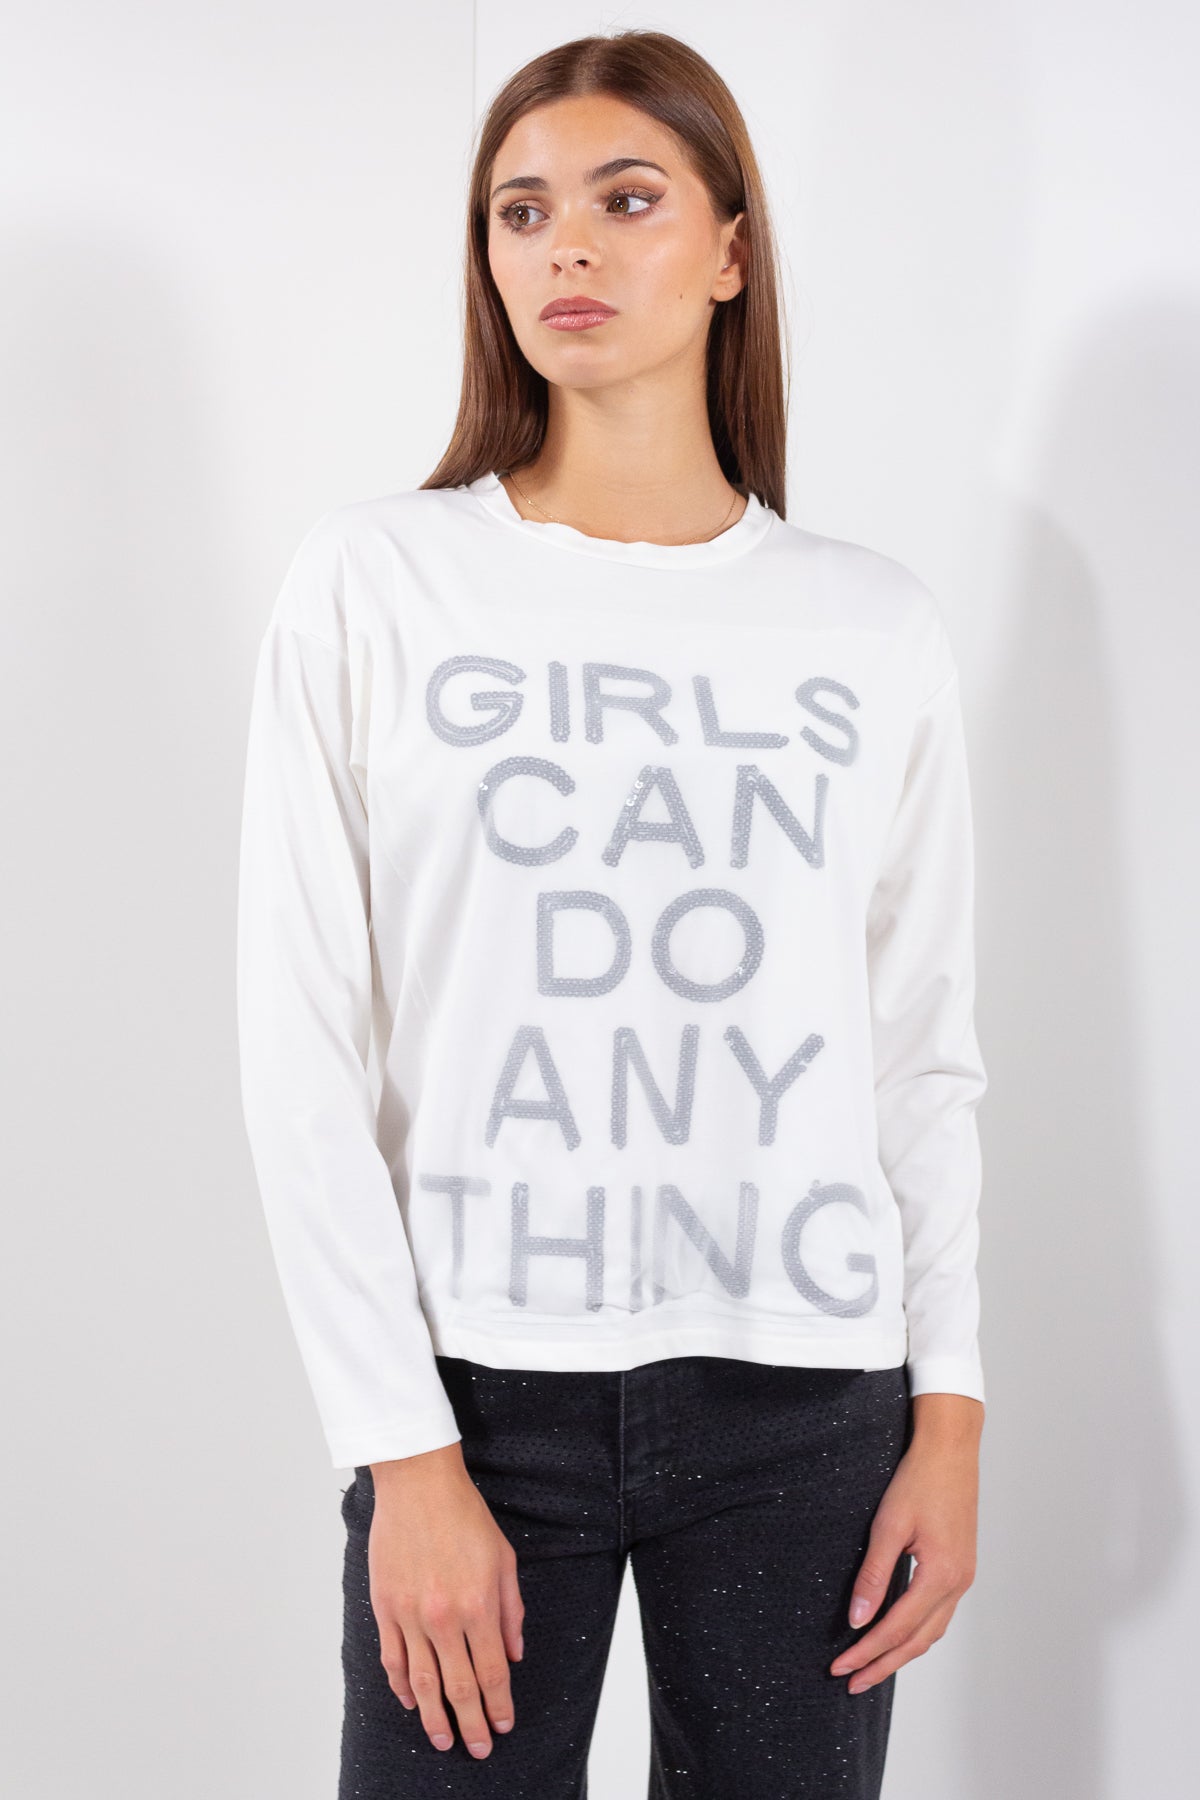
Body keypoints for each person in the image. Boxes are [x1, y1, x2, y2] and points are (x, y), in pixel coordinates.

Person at [236, 28, 987, 1800]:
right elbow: (299, 1044)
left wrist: (949, 1412)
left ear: (731, 250)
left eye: (625, 200)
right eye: (519, 212)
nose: (563, 245)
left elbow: (921, 1055)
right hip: (481, 1404)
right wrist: (403, 1451)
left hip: (809, 1399)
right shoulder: (377, 582)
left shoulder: (870, 626)